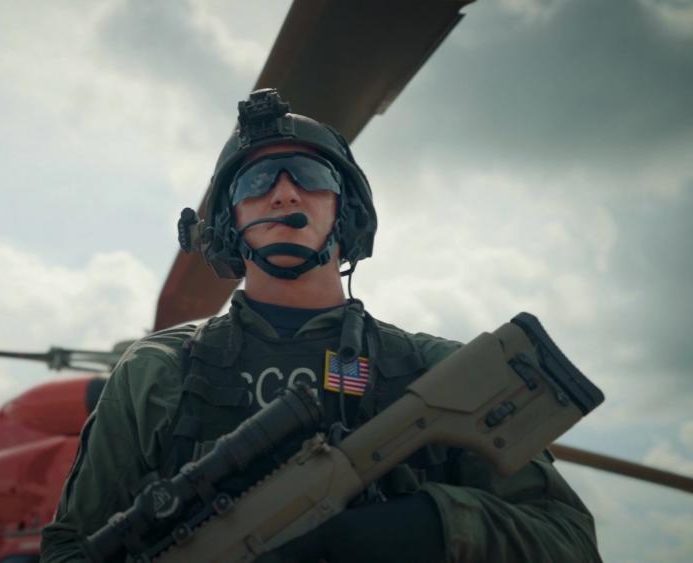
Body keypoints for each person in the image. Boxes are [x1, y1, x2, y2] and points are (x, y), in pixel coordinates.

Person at [40, 89, 600, 562]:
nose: (283, 192)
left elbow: (568, 539)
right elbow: (71, 547)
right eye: (255, 181)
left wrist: (424, 525)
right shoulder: (155, 373)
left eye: (308, 174)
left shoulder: (431, 369)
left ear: (345, 212)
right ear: (228, 223)